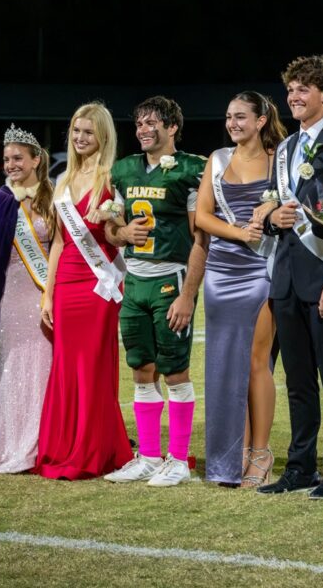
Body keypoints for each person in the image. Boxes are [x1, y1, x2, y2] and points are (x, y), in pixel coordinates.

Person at [256, 55, 323, 499]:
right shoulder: (282, 149)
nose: (294, 97)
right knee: (297, 379)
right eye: (291, 89)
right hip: (286, 279)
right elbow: (272, 206)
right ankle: (300, 466)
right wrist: (269, 217)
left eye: (303, 89)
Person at [102, 96, 207, 487]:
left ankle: (178, 459)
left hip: (170, 278)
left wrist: (188, 294)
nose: (143, 130)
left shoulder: (190, 170)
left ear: (172, 127)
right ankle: (147, 455)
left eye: (151, 123)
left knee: (175, 370)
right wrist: (122, 233)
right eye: (139, 124)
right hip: (135, 281)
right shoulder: (125, 170)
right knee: (141, 370)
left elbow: (201, 238)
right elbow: (112, 228)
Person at [33, 102, 132, 480]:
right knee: (65, 369)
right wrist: (48, 293)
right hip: (67, 284)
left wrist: (111, 216)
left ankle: (92, 450)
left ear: (102, 136)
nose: (79, 138)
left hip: (99, 284)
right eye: (76, 131)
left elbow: (121, 234)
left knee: (92, 368)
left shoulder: (112, 178)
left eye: (87, 132)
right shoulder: (62, 181)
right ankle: (62, 446)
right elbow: (58, 241)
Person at [195, 91, 285, 487]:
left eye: (241, 117)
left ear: (261, 120)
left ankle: (261, 454)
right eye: (229, 117)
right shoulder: (217, 160)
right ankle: (230, 457)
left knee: (255, 361)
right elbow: (201, 216)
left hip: (262, 269)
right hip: (220, 272)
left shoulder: (279, 159)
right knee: (223, 365)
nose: (232, 123)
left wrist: (266, 219)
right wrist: (238, 233)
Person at [0, 124, 54, 473]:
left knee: (46, 366)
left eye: (18, 158)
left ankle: (46, 440)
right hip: (12, 298)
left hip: (47, 294)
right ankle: (12, 441)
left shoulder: (52, 196)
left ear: (36, 160)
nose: (10, 164)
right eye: (6, 159)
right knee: (14, 366)